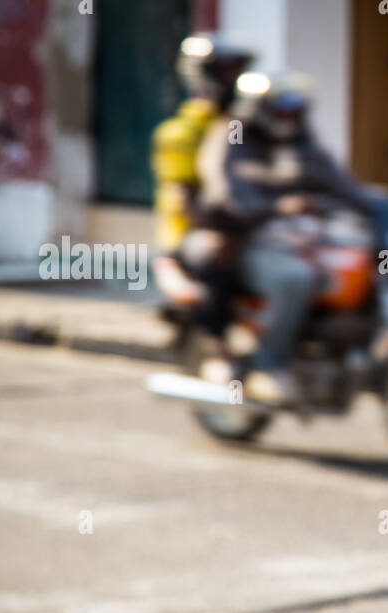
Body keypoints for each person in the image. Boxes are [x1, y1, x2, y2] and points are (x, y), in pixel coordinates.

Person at [195, 70, 387, 404]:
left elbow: (342, 187)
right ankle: (270, 365)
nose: (290, 116)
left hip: (302, 241)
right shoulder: (236, 139)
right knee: (295, 278)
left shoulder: (304, 147)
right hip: (246, 242)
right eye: (282, 109)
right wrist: (280, 206)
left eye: (296, 109)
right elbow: (233, 197)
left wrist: (385, 208)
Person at [151, 33, 255, 384]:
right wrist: (219, 227)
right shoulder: (181, 134)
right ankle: (219, 352)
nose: (233, 79)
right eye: (226, 71)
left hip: (241, 225)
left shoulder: (244, 124)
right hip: (194, 234)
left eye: (237, 71)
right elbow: (185, 199)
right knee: (219, 257)